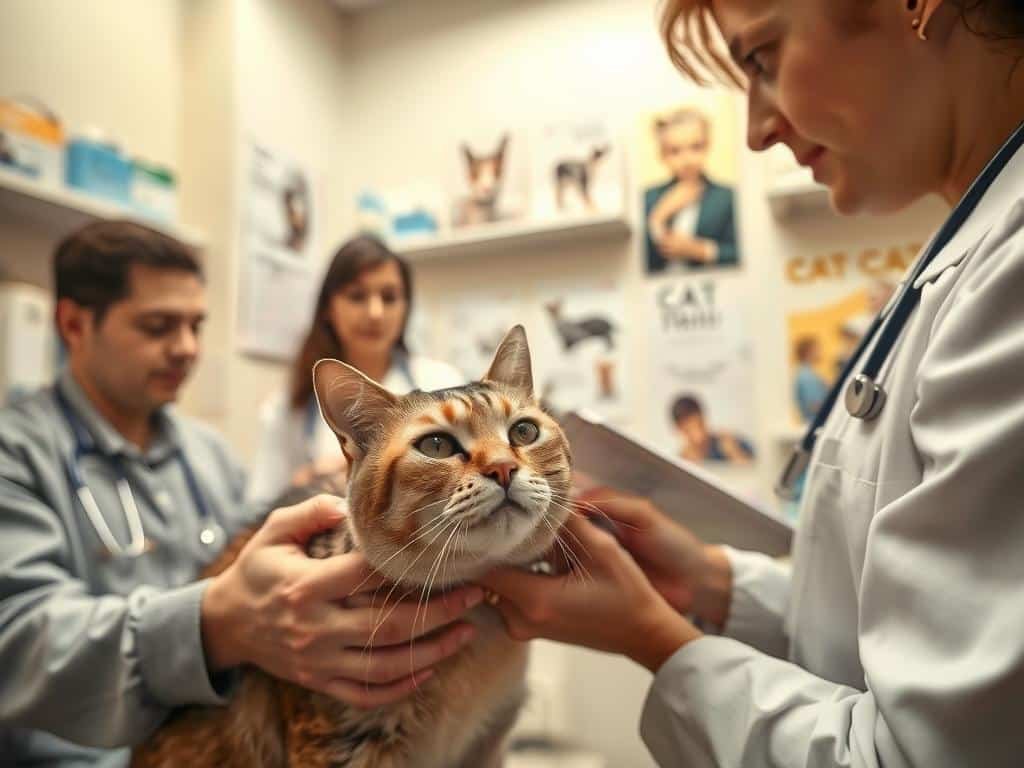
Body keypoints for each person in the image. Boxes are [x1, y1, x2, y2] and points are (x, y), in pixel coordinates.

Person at [480, 1, 1024, 765]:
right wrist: (711, 581)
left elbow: (920, 753)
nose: (755, 131)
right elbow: (883, 637)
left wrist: (652, 639)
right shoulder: (971, 248)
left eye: (763, 61)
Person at [0, 221, 481, 765]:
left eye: (196, 326)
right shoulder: (15, 455)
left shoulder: (207, 453)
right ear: (73, 324)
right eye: (159, 326)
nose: (186, 348)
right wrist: (213, 626)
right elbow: (15, 641)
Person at [248, 234, 463, 506]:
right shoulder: (288, 407)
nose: (375, 312)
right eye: (357, 296)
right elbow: (261, 509)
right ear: (327, 308)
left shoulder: (443, 382)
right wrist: (309, 480)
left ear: (406, 308)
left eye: (389, 297)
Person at [644, 107, 739, 273]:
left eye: (696, 147)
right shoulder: (648, 199)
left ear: (708, 146)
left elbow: (745, 253)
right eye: (675, 151)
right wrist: (658, 218)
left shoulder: (728, 198)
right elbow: (638, 261)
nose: (687, 159)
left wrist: (701, 250)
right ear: (662, 155)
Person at [670, 394, 754, 464]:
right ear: (679, 430)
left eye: (700, 425)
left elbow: (756, 474)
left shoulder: (730, 443)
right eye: (688, 430)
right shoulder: (680, 461)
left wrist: (734, 452)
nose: (698, 435)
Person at [792, 336, 828, 421]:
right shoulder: (807, 377)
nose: (821, 352)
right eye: (817, 349)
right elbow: (814, 405)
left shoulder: (807, 373)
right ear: (809, 352)